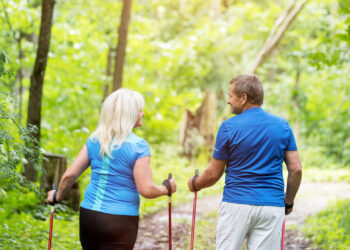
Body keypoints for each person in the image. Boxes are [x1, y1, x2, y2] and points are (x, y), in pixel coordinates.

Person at [47, 88, 176, 250]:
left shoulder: (95, 139)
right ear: (128, 113)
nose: (143, 113)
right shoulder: (138, 146)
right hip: (120, 220)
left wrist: (57, 196)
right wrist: (166, 188)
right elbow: (146, 190)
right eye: (139, 110)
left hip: (89, 216)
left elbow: (69, 175)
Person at [188, 74, 302, 250]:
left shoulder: (229, 127)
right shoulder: (282, 126)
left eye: (230, 95)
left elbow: (213, 174)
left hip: (236, 206)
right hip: (271, 206)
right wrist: (288, 201)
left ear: (243, 98)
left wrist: (195, 183)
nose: (227, 101)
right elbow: (296, 169)